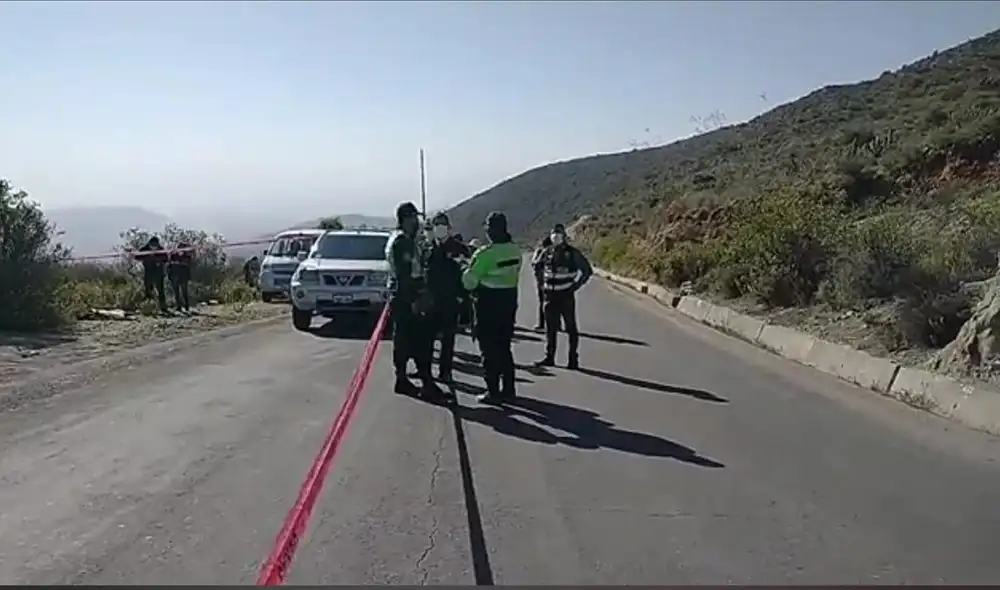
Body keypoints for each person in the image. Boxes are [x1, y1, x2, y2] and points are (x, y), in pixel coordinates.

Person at [386, 201, 444, 399]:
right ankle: (424, 382)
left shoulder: (401, 239)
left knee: (404, 340)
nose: (417, 222)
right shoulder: (402, 242)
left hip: (404, 295)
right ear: (407, 218)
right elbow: (405, 273)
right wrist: (415, 298)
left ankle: (407, 379)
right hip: (408, 297)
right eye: (414, 218)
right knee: (420, 341)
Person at [462, 212, 522, 402]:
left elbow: (469, 282)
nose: (487, 231)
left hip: (487, 304)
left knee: (488, 350)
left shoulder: (485, 254)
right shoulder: (515, 251)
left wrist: (465, 269)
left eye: (488, 227)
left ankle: (493, 391)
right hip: (508, 303)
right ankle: (509, 390)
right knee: (504, 348)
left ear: (493, 230)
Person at [535, 223, 593, 370]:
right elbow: (537, 266)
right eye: (554, 233)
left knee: (570, 328)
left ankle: (573, 359)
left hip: (565, 295)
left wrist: (575, 286)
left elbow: (586, 270)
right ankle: (549, 357)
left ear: (564, 236)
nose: (556, 236)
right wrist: (542, 282)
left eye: (559, 234)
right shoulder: (547, 251)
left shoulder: (572, 253)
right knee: (550, 329)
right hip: (549, 296)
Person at [425, 212, 471, 383]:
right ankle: (426, 371)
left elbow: (466, 275)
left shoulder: (459, 248)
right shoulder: (428, 248)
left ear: (449, 228)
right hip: (431, 301)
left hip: (451, 300)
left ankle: (445, 372)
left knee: (447, 339)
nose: (439, 228)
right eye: (436, 225)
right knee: (427, 339)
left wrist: (463, 299)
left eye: (442, 224)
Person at [137, 236, 168, 312]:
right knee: (148, 290)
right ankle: (149, 307)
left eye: (155, 246)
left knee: (161, 291)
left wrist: (158, 260)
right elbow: (137, 256)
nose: (154, 247)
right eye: (152, 246)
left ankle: (163, 307)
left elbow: (166, 258)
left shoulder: (161, 249)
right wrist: (147, 257)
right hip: (148, 272)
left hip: (159, 273)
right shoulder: (144, 249)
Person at [530, 236, 553, 331]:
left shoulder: (540, 252)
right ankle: (555, 323)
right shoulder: (554, 252)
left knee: (543, 302)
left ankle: (542, 324)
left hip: (543, 281)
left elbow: (534, 263)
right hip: (552, 281)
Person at [168, 241, 195, 312]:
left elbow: (188, 263)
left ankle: (186, 306)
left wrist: (179, 263)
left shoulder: (187, 256)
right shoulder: (174, 255)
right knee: (176, 292)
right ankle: (178, 306)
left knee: (184, 292)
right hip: (174, 275)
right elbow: (169, 263)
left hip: (183, 276)